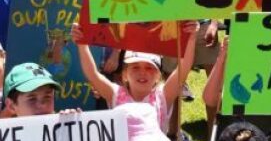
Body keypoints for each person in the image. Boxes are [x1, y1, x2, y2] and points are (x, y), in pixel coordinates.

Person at [71, 22, 199, 133]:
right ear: (124, 74)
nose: (142, 72)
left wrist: (192, 37)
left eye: (149, 68)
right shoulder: (115, 94)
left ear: (157, 76)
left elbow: (184, 67)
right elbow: (92, 74)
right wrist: (82, 44)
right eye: (135, 67)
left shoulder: (163, 97)